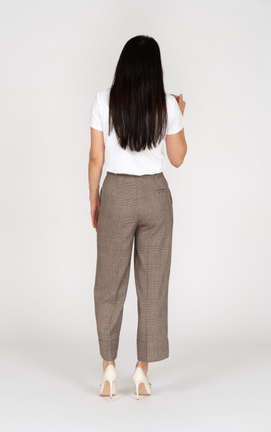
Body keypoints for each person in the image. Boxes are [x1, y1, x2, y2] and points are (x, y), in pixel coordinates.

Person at [87, 35, 187, 400]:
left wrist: (94, 198)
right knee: (153, 285)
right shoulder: (167, 106)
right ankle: (142, 370)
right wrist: (179, 115)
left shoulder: (103, 101)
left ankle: (109, 368)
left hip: (116, 193)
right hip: (156, 197)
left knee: (109, 284)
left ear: (124, 65)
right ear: (154, 69)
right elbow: (177, 159)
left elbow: (96, 158)